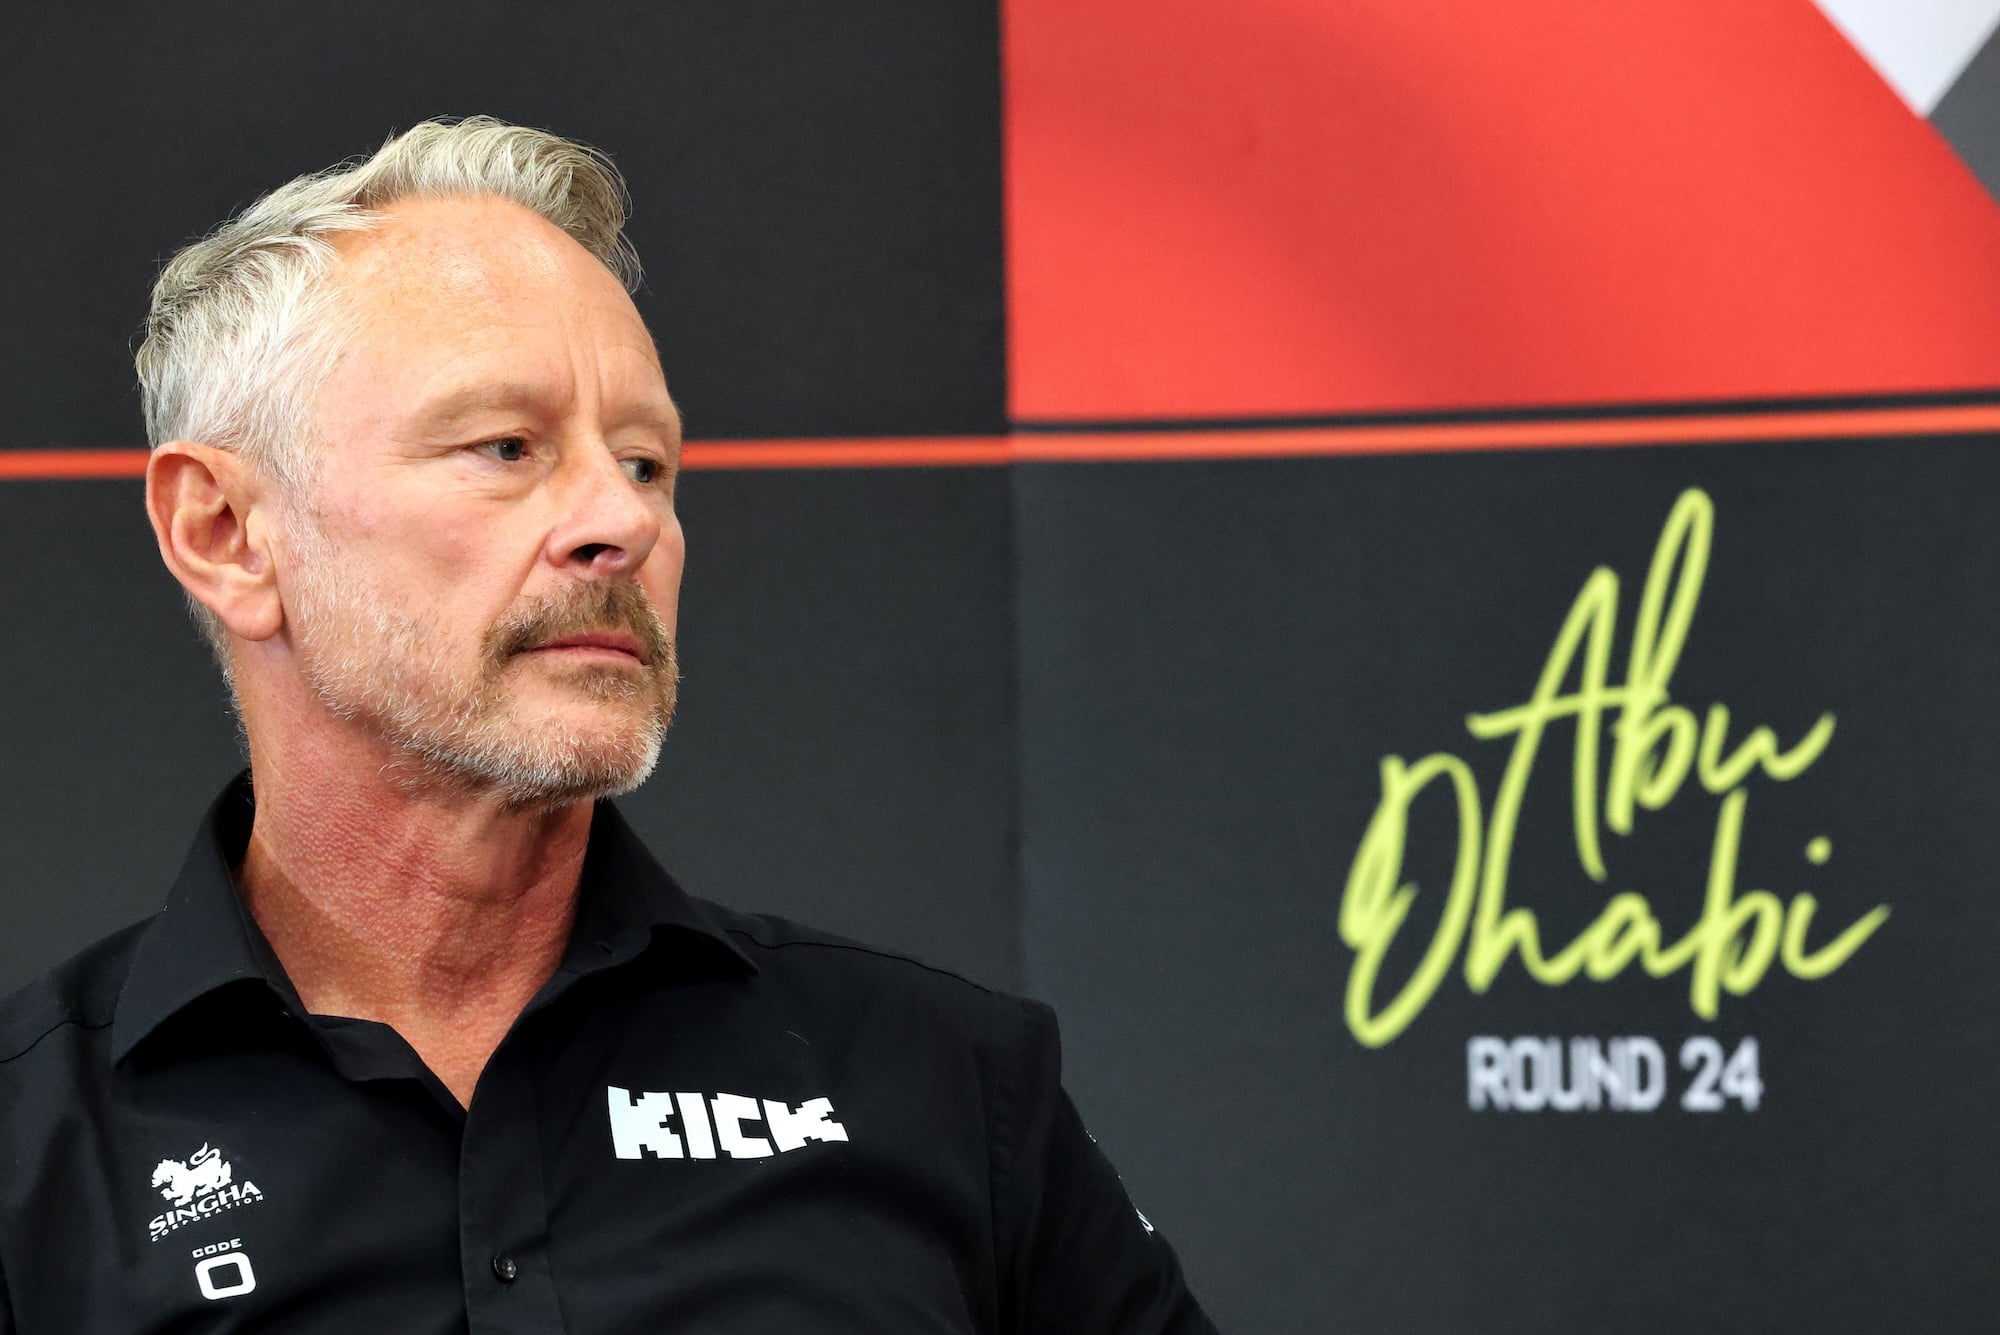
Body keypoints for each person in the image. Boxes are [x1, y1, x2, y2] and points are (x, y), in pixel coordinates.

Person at [0, 118, 1216, 1333]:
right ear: (224, 532)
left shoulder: (947, 1087)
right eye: (506, 447)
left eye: (644, 462)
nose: (619, 524)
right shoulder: (26, 1156)